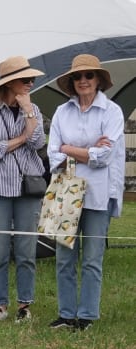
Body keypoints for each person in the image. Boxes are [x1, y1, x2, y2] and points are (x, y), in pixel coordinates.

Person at [46, 54, 125, 331]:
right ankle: (66, 314)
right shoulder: (61, 112)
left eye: (89, 76)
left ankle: (87, 316)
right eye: (78, 77)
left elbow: (104, 157)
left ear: (98, 79)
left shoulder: (112, 112)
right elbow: (52, 153)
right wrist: (86, 150)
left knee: (92, 259)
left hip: (98, 194)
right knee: (64, 258)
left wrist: (69, 148)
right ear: (71, 81)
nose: (83, 81)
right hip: (66, 191)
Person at [0, 56, 47, 323]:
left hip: (28, 187)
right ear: (9, 83)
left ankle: (25, 306)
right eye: (25, 80)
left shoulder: (34, 109)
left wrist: (28, 113)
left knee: (27, 251)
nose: (30, 84)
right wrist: (21, 139)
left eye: (32, 80)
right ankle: (0, 306)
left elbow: (38, 142)